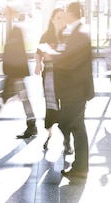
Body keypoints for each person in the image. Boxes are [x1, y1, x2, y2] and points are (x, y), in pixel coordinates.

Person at [40, 2, 94, 180]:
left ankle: (81, 168)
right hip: (74, 89)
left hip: (75, 90)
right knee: (75, 126)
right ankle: (80, 167)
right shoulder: (78, 32)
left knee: (74, 126)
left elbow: (71, 61)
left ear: (72, 14)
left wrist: (52, 56)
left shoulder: (79, 33)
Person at [0, 3, 37, 139]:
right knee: (22, 96)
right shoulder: (14, 30)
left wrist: (16, 73)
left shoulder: (16, 30)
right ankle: (30, 123)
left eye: (7, 13)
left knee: (23, 98)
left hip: (16, 73)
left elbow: (18, 53)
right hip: (15, 72)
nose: (5, 15)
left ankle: (32, 125)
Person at [35, 8, 73, 154]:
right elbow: (38, 53)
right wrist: (38, 63)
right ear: (52, 19)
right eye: (58, 18)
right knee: (51, 105)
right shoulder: (46, 35)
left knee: (66, 107)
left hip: (65, 75)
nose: (61, 20)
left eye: (63, 18)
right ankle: (49, 134)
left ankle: (67, 141)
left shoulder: (68, 36)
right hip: (50, 75)